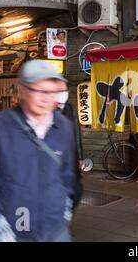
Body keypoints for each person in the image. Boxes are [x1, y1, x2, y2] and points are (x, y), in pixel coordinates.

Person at [0, 60, 76, 242]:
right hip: (11, 231)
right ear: (22, 91)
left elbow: (67, 174)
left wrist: (65, 207)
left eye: (51, 91)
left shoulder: (63, 126)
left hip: (55, 230)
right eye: (38, 90)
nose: (45, 98)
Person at [55, 81, 84, 209]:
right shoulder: (47, 109)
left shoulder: (70, 108)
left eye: (64, 91)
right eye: (59, 91)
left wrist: (80, 156)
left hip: (69, 154)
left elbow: (76, 133)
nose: (63, 94)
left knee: (73, 186)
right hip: (53, 156)